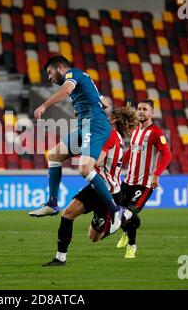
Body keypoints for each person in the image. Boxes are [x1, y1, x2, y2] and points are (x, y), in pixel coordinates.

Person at [29, 55, 132, 233]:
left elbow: (68, 90)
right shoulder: (86, 79)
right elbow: (105, 103)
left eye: (49, 72)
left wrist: (44, 106)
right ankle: (52, 203)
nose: (49, 77)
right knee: (54, 155)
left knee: (85, 169)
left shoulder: (72, 74)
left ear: (60, 67)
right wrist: (84, 107)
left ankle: (116, 211)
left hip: (94, 125)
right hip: (85, 124)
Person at [43, 104, 140, 266]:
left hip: (106, 190)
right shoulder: (114, 136)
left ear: (114, 120)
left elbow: (97, 160)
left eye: (107, 116)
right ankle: (60, 258)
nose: (103, 118)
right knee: (89, 233)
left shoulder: (108, 134)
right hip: (100, 186)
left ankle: (122, 215)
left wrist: (86, 153)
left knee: (72, 217)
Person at [116, 99, 172, 258]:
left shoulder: (155, 132)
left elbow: (167, 155)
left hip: (144, 184)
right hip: (128, 181)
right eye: (139, 108)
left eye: (145, 109)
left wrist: (156, 174)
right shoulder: (135, 131)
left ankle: (132, 247)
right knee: (118, 213)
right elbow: (130, 152)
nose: (141, 111)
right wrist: (118, 164)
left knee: (129, 212)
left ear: (151, 113)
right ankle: (127, 233)